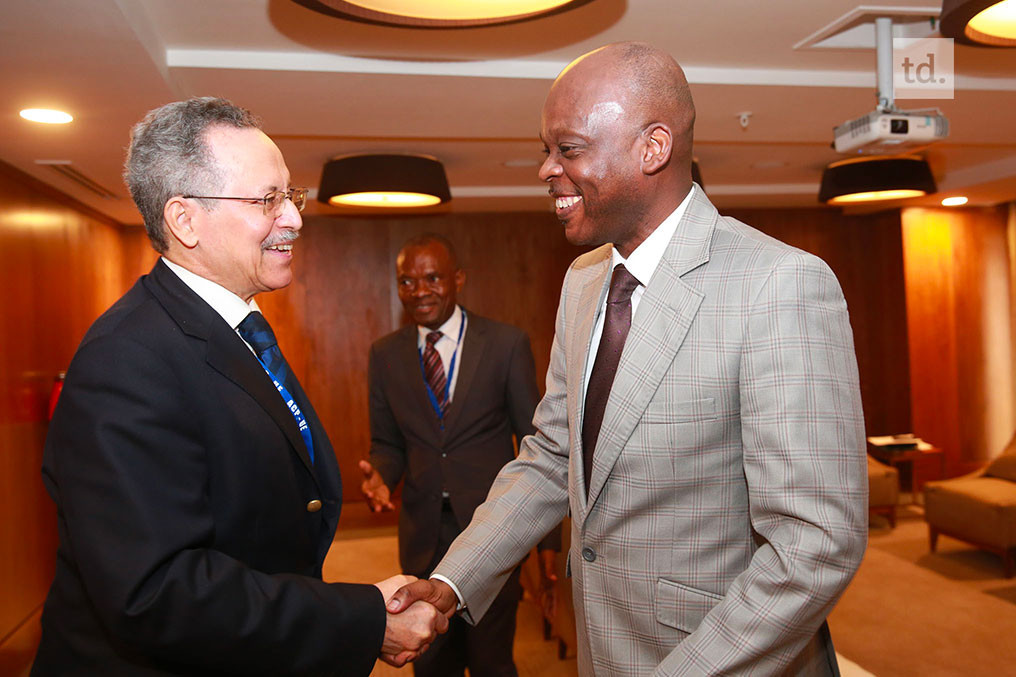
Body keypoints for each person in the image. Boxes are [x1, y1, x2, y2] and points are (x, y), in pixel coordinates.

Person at [388, 42, 869, 676]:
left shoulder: (779, 284)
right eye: (546, 150)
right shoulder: (583, 281)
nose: (546, 169)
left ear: (653, 148)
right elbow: (552, 457)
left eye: (569, 148)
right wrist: (452, 582)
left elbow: (814, 545)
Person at [32, 97, 444, 676]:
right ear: (185, 221)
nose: (294, 218)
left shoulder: (231, 326)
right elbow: (158, 593)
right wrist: (362, 618)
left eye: (289, 195)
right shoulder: (125, 361)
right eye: (266, 200)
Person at [359, 233, 561, 677]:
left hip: (493, 529)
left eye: (432, 278)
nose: (419, 291)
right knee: (431, 662)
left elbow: (540, 445)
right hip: (423, 534)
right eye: (407, 281)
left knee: (492, 661)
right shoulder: (385, 355)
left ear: (458, 279)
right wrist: (381, 477)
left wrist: (548, 542)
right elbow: (388, 444)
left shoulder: (505, 345)